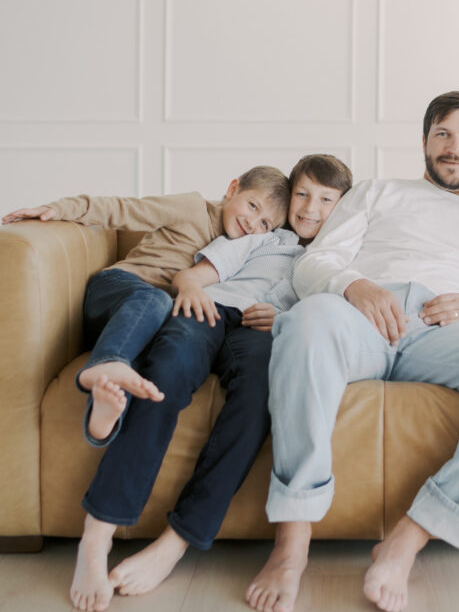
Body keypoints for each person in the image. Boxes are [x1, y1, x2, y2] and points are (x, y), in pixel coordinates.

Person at [246, 92, 459, 612]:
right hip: (360, 314)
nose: (454, 147)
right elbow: (313, 266)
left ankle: (410, 537)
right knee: (305, 319)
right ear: (424, 141)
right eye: (443, 133)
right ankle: (292, 540)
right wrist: (356, 287)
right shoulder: (378, 192)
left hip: (446, 334)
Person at [67, 154, 352, 612]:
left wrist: (285, 316)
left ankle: (175, 542)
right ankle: (97, 533)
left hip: (263, 334)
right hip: (209, 311)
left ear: (342, 207)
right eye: (302, 193)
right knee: (167, 372)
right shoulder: (265, 237)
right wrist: (193, 290)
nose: (310, 207)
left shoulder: (342, 258)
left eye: (326, 199)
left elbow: (335, 321)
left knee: (260, 399)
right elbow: (195, 275)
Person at [1, 168, 289, 445]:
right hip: (117, 291)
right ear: (232, 188)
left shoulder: (245, 251)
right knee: (155, 299)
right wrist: (59, 209)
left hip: (146, 323)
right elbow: (121, 209)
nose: (253, 223)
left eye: (265, 223)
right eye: (252, 206)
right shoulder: (191, 207)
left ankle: (102, 421)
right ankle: (107, 362)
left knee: (147, 364)